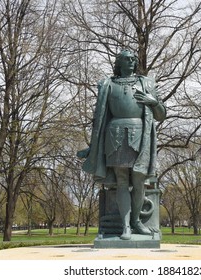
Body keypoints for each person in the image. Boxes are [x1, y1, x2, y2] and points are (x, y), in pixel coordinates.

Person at [79, 49, 166, 240]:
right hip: (115, 134)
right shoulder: (108, 84)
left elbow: (160, 115)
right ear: (119, 62)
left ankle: (136, 221)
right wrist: (93, 146)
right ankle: (125, 226)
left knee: (139, 181)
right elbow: (100, 118)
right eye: (126, 59)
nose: (131, 62)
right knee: (121, 182)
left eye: (133, 59)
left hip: (141, 136)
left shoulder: (147, 83)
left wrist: (153, 102)